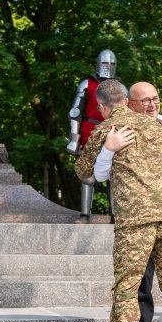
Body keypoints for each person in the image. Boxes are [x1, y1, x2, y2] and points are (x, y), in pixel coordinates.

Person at [75, 79, 162, 322]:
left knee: (127, 287)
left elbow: (82, 170)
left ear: (102, 107)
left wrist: (108, 150)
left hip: (135, 221)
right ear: (126, 100)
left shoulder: (105, 129)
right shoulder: (159, 126)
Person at [66, 49, 118, 221]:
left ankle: (114, 215)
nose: (108, 67)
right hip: (90, 132)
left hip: (113, 133)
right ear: (98, 64)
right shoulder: (87, 84)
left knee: (114, 176)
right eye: (105, 63)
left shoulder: (119, 88)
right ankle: (84, 214)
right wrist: (75, 139)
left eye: (111, 64)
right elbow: (75, 113)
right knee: (88, 175)